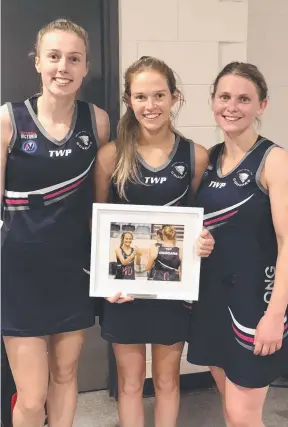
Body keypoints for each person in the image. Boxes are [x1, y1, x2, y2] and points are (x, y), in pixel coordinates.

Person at [95, 56, 214, 427]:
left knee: (166, 380)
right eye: (141, 97)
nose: (151, 106)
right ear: (129, 100)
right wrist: (105, 280)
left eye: (159, 95)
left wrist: (203, 244)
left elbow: (198, 223)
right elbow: (98, 224)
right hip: (124, 291)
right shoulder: (111, 155)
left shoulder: (195, 156)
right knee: (130, 382)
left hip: (171, 290)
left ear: (175, 97)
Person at [1, 19, 109, 427]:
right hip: (19, 274)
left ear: (85, 67)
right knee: (32, 396)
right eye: (54, 57)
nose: (63, 67)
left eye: (73, 58)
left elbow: (103, 203)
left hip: (72, 272)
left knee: (66, 376)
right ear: (38, 63)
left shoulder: (96, 121)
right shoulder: (8, 121)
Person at [187, 62, 288, 427]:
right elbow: (212, 228)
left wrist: (275, 315)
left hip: (254, 304)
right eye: (224, 97)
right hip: (213, 299)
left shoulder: (274, 161)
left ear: (262, 105)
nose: (232, 106)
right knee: (230, 410)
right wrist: (200, 243)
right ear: (212, 100)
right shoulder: (209, 158)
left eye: (244, 99)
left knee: (245, 416)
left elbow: (287, 241)